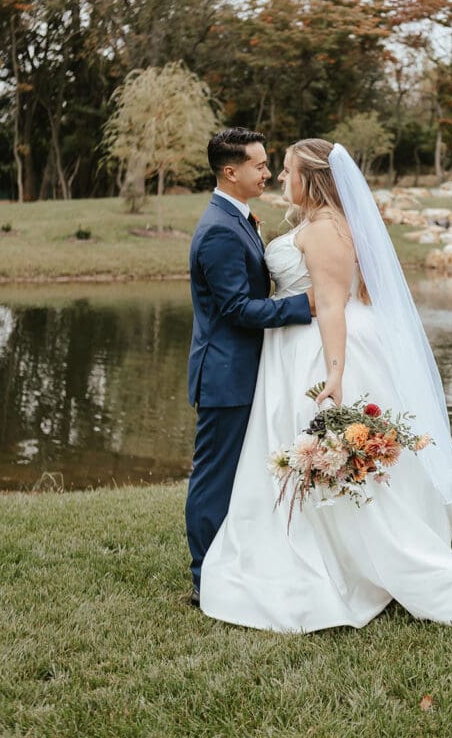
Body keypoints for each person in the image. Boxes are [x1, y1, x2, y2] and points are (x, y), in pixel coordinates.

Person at [200, 138, 452, 631]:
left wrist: (335, 375)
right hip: (293, 345)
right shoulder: (317, 223)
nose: (279, 177)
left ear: (311, 179)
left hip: (316, 350)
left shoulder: (323, 231)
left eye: (288, 170)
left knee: (320, 445)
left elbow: (333, 305)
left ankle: (341, 553)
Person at [185, 128, 314, 606]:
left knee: (236, 475)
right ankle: (204, 579)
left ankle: (235, 561)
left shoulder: (236, 217)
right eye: (260, 166)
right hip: (225, 375)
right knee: (214, 478)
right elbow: (238, 309)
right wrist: (307, 305)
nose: (267, 172)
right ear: (230, 171)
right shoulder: (219, 229)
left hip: (244, 369)